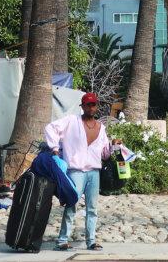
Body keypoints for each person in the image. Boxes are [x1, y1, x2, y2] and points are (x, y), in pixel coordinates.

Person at [44, 92, 121, 251]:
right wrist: (54, 148)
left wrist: (113, 145)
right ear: (83, 106)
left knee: (92, 208)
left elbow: (104, 154)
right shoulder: (72, 121)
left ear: (97, 106)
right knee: (71, 204)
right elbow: (50, 127)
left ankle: (91, 241)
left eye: (94, 104)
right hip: (75, 171)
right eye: (88, 104)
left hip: (94, 172)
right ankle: (62, 240)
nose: (91, 107)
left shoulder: (101, 127)